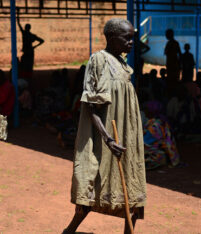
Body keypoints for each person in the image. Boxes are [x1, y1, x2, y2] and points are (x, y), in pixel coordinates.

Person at [64, 18, 146, 234]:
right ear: (111, 37)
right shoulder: (98, 60)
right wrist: (108, 139)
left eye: (132, 38)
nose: (131, 42)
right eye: (126, 38)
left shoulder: (123, 63)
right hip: (104, 136)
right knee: (94, 182)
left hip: (126, 134)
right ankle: (70, 230)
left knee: (131, 185)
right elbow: (89, 106)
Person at [17, 8, 44, 73]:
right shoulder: (31, 35)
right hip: (29, 52)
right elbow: (42, 41)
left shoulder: (25, 34)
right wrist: (35, 46)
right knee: (28, 65)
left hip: (27, 52)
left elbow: (18, 23)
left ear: (27, 28)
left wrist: (17, 14)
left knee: (25, 65)